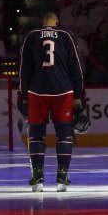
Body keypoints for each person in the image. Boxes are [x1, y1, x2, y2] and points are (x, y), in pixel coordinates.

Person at [18, 12, 85, 192]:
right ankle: (62, 175)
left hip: (37, 91)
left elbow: (25, 68)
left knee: (36, 135)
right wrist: (79, 94)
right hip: (62, 90)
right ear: (57, 23)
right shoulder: (66, 35)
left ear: (42, 23)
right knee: (64, 134)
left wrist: (23, 94)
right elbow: (75, 65)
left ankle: (38, 176)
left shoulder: (31, 36)